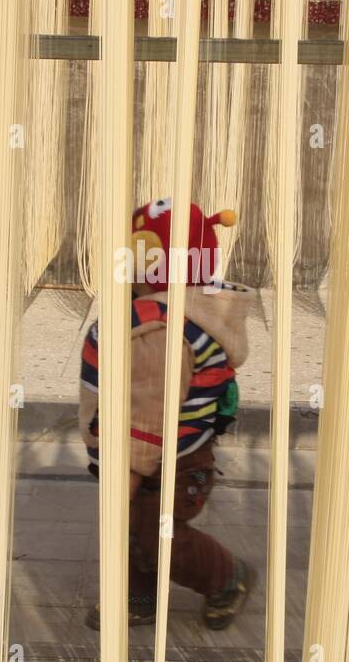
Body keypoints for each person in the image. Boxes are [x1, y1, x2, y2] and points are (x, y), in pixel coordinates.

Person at [79, 197, 256, 631]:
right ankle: (138, 598)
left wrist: (132, 468)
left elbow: (149, 409)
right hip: (163, 449)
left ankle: (226, 576)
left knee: (155, 535)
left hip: (165, 456)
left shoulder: (160, 327)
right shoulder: (170, 313)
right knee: (133, 528)